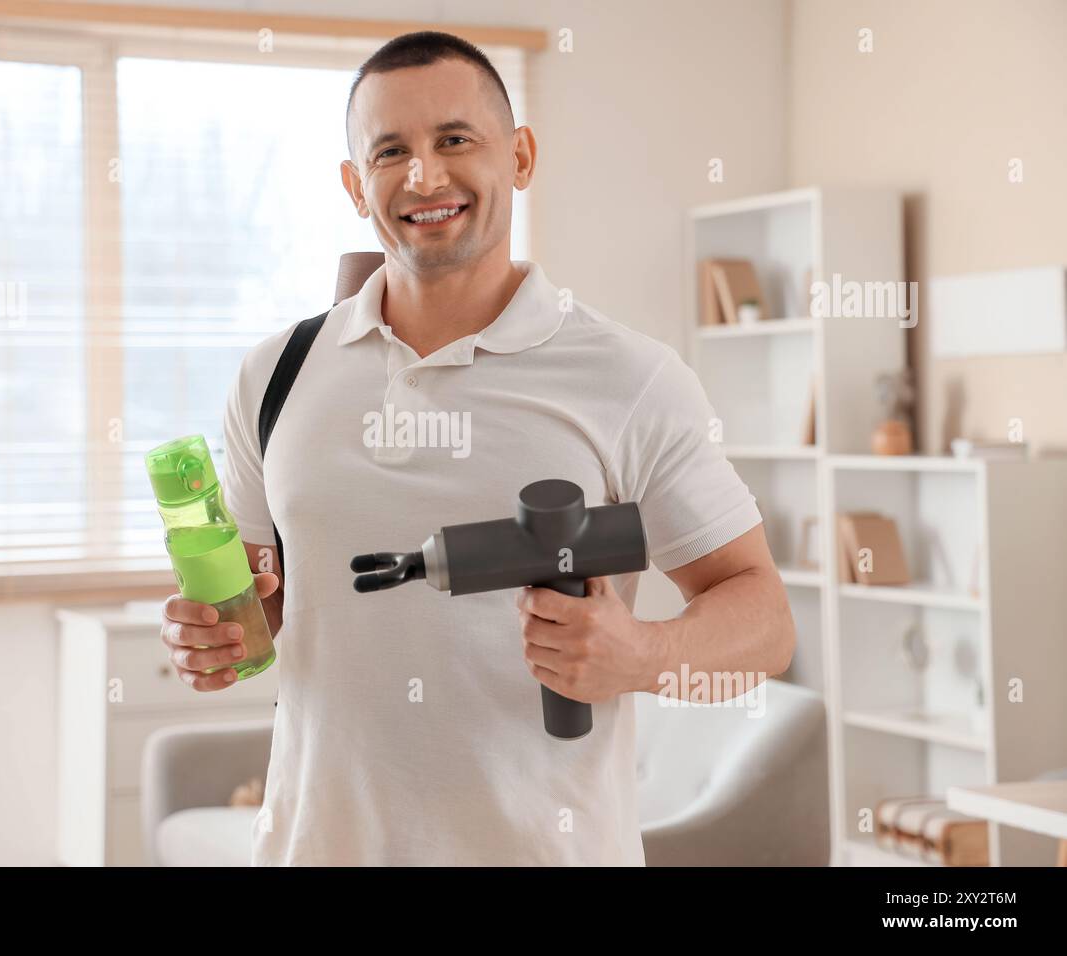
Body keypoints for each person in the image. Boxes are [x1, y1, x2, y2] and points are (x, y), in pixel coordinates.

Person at [159, 30, 795, 866]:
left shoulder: (629, 378)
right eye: (392, 152)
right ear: (356, 186)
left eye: (455, 140)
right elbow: (267, 605)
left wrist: (643, 653)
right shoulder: (276, 375)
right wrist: (219, 636)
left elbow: (766, 622)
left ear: (520, 156)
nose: (425, 176)